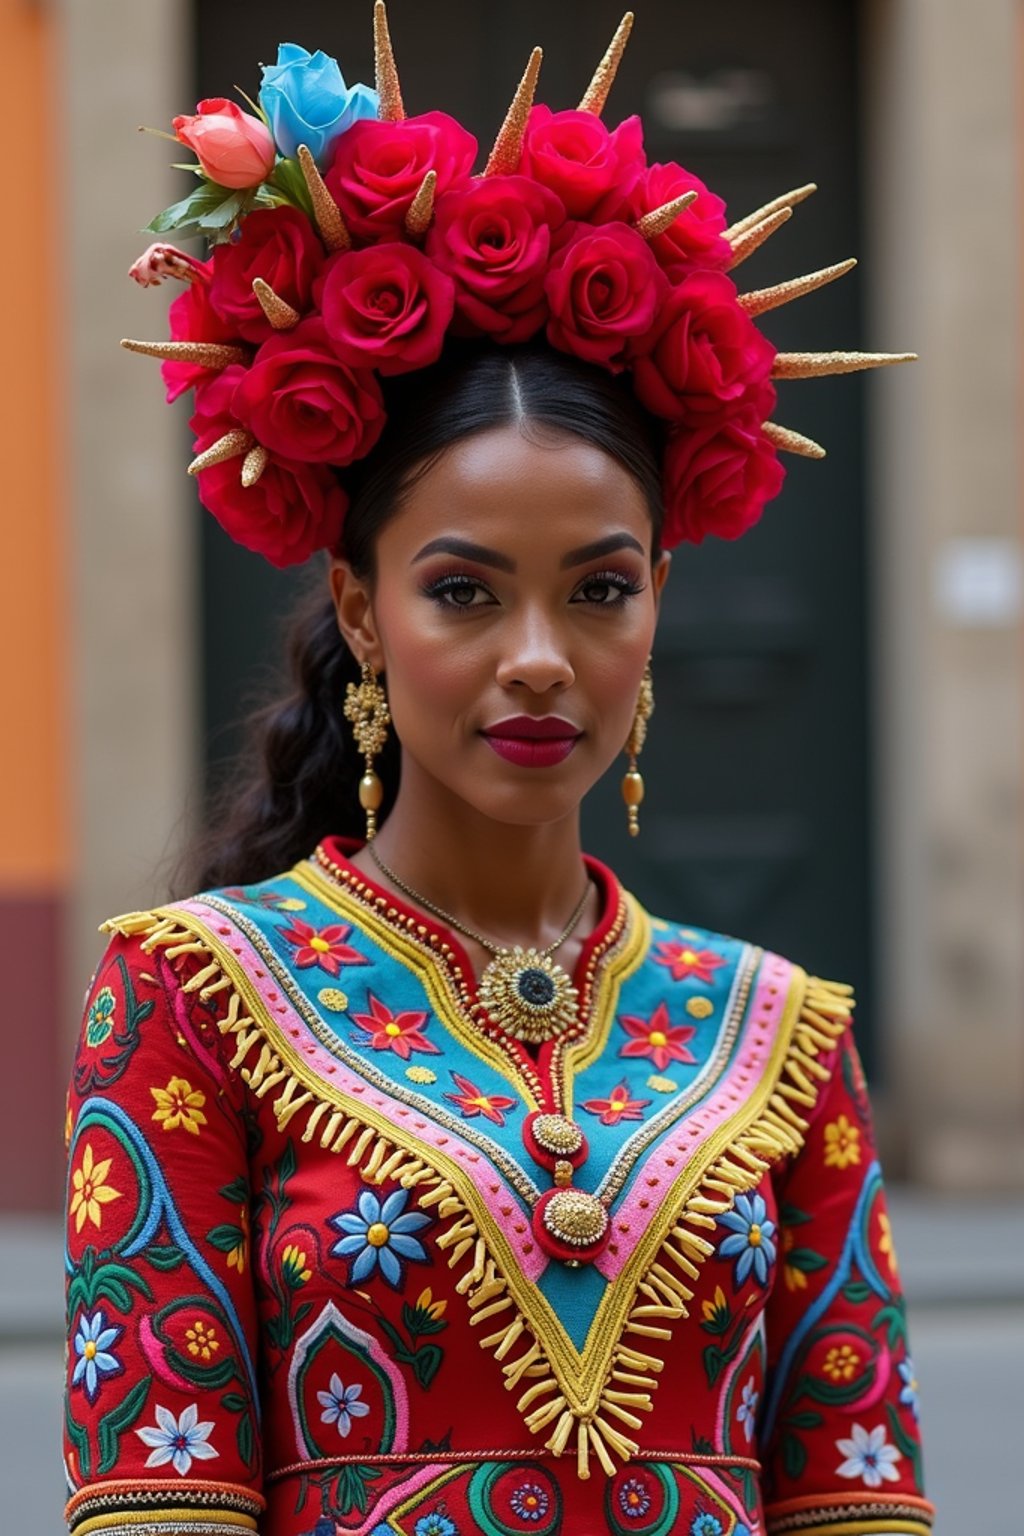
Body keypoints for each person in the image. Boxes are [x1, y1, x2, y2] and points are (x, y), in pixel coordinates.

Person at [63, 9, 933, 1536]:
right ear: (359, 609)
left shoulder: (784, 1039)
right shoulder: (188, 1001)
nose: (542, 656)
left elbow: (863, 1503)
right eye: (464, 592)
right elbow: (157, 1501)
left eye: (600, 590)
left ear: (661, 599)